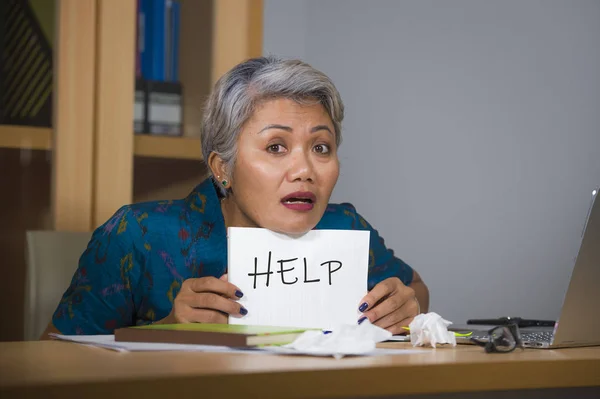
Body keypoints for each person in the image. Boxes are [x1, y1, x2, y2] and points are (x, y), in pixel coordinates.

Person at [41, 56, 429, 338]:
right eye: (276, 147)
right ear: (222, 167)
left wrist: (405, 305)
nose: (305, 170)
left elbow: (416, 289)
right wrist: (166, 331)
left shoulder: (344, 226)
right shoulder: (136, 235)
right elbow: (50, 361)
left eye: (322, 147)